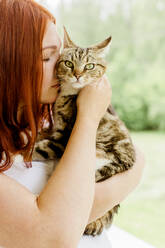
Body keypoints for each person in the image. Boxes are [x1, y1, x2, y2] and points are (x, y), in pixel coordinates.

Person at [0, 0, 145, 247]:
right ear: (8, 65)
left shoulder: (40, 119)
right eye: (47, 56)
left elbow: (136, 159)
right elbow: (54, 233)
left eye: (60, 53)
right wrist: (88, 118)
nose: (62, 65)